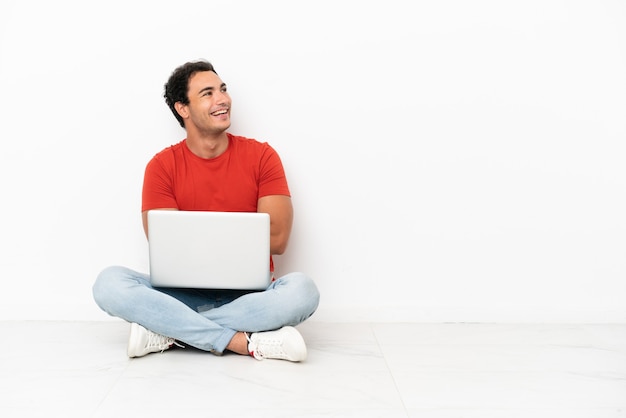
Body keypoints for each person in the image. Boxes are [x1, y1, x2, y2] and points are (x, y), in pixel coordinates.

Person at [92, 60, 320, 362]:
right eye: (208, 93)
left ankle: (171, 332)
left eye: (223, 90)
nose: (222, 99)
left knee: (303, 291)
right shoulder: (162, 166)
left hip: (251, 295)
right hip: (183, 295)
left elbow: (277, 240)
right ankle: (242, 341)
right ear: (183, 109)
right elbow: (166, 247)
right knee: (109, 284)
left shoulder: (262, 156)